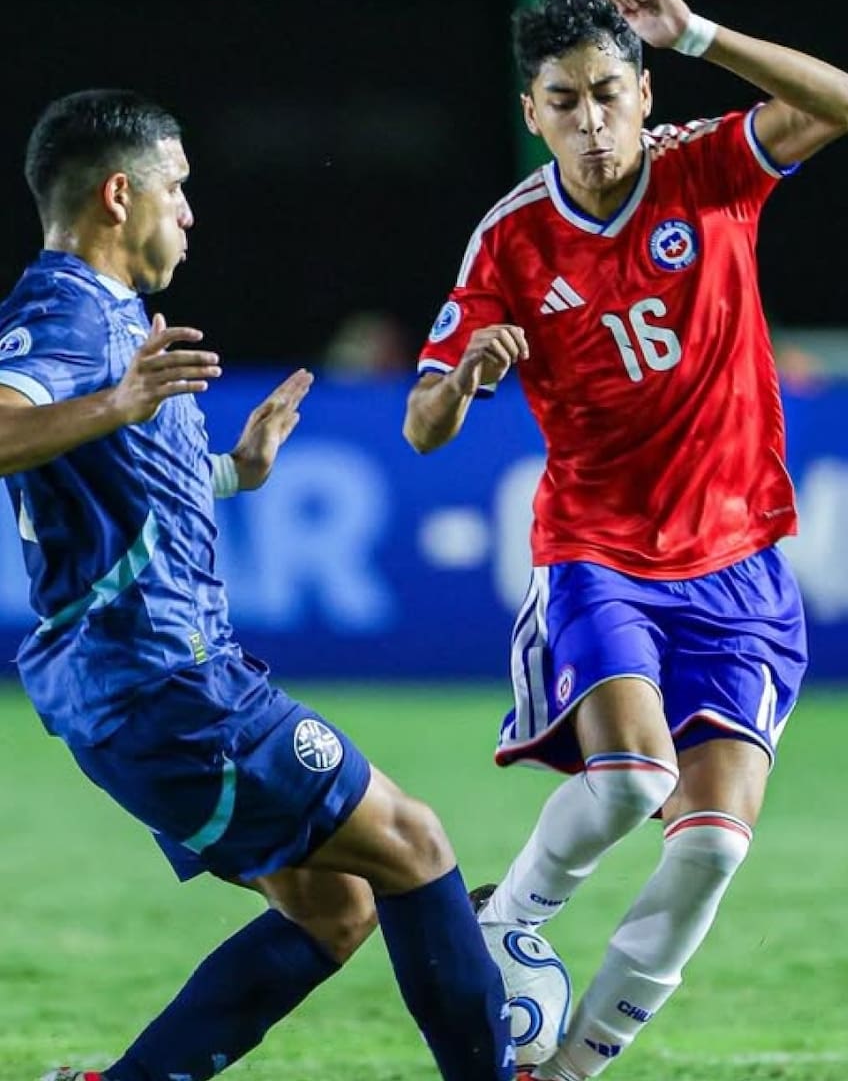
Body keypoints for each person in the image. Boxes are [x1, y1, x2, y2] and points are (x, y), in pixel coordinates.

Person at [1, 89, 514, 1081]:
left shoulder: (107, 317)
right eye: (177, 188)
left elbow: (112, 488)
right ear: (118, 195)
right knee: (414, 843)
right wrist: (118, 402)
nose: (189, 212)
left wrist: (235, 473)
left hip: (131, 691)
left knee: (334, 909)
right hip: (165, 681)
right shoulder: (66, 308)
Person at [403, 0, 848, 1079]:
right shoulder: (511, 241)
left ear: (644, 93)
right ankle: (507, 921)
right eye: (564, 101)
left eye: (609, 92)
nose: (591, 120)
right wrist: (464, 379)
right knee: (628, 780)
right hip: (599, 554)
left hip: (741, 562)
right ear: (533, 112)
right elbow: (422, 427)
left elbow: (840, 102)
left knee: (711, 850)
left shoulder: (708, 170)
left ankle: (570, 1071)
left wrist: (700, 33)